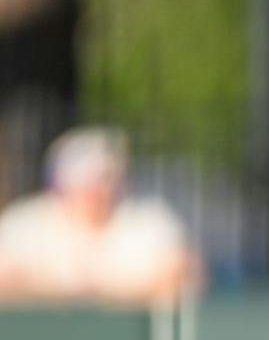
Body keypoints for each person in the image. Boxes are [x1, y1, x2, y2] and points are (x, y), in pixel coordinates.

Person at [0, 127, 201, 306]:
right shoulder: (24, 223)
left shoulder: (149, 221)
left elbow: (179, 278)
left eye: (105, 178)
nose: (97, 190)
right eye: (85, 178)